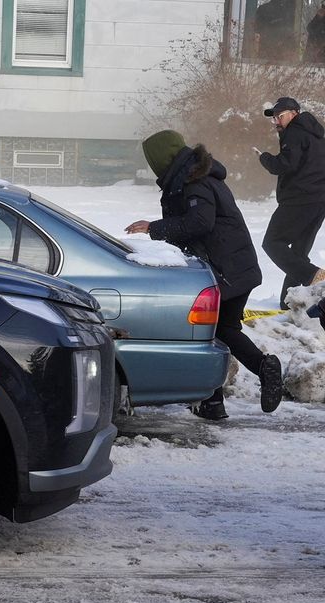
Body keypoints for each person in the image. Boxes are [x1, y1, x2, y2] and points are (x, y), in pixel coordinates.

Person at [126, 130, 283, 420]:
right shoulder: (190, 176)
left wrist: (154, 227)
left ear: (163, 159)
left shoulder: (193, 181)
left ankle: (229, 389)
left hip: (226, 270)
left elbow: (200, 222)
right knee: (220, 330)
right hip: (233, 267)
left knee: (207, 330)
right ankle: (220, 398)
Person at [256, 97, 325, 310]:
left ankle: (314, 275)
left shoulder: (294, 132)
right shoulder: (317, 134)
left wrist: (264, 158)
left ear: (294, 113)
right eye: (275, 117)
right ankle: (289, 305)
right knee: (297, 254)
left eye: (280, 116)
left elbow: (285, 164)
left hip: (299, 200)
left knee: (271, 243)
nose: (277, 121)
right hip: (319, 201)